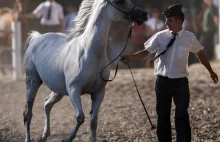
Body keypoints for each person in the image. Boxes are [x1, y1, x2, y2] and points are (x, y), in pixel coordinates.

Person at [120, 4, 218, 142]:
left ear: (179, 20)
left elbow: (200, 53)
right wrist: (130, 57)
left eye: (170, 20)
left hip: (181, 82)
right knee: (163, 115)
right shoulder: (160, 36)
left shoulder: (189, 37)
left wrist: (211, 71)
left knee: (181, 115)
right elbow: (145, 53)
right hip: (162, 82)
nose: (166, 22)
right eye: (166, 19)